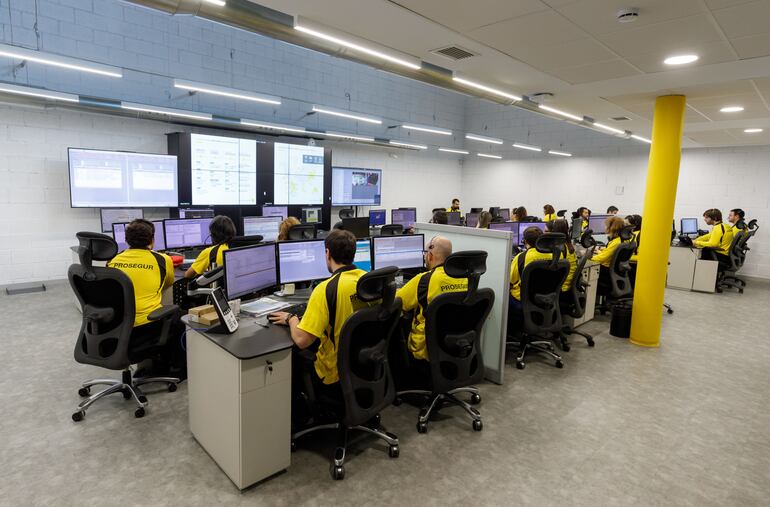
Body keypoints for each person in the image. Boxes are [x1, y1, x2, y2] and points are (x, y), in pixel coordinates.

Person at [268, 230, 372, 402]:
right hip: (363, 365)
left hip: (334, 373)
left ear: (327, 253)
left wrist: (291, 319)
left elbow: (302, 340)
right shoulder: (368, 281)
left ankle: (301, 411)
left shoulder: (325, 289)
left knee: (295, 355)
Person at [107, 219, 183, 375]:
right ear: (152, 240)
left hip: (115, 328)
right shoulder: (162, 260)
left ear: (127, 240)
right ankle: (175, 369)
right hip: (146, 327)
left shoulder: (112, 261)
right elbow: (168, 283)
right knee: (181, 317)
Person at [395, 236, 468, 386]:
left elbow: (398, 301)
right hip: (455, 344)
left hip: (425, 348)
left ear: (430, 255)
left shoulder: (424, 280)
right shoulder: (465, 278)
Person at [508, 227, 552, 334]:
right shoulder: (552, 255)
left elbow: (511, 280)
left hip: (522, 300)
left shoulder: (521, 257)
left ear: (525, 241)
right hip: (546, 298)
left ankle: (510, 333)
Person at [591, 216, 627, 290]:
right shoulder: (621, 239)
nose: (605, 227)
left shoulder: (616, 242)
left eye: (606, 225)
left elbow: (601, 258)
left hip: (605, 271)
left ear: (612, 227)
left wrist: (586, 257)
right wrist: (600, 249)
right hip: (614, 271)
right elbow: (610, 251)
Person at [547, 219, 577, 295]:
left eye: (547, 231)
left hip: (560, 289)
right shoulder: (568, 245)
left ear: (553, 232)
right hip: (567, 285)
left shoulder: (558, 250)